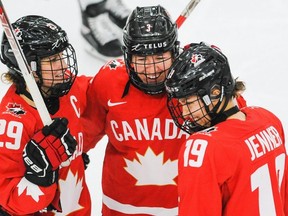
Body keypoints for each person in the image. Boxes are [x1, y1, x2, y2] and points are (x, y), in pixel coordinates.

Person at [165, 42, 288, 215]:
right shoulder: (269, 120)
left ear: (215, 93)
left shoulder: (203, 148)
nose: (185, 112)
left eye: (188, 102)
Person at [0, 15, 92, 215]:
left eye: (61, 56)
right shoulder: (12, 123)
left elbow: (105, 90)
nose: (62, 66)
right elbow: (9, 202)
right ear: (28, 68)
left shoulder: (67, 89)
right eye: (52, 60)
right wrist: (39, 177)